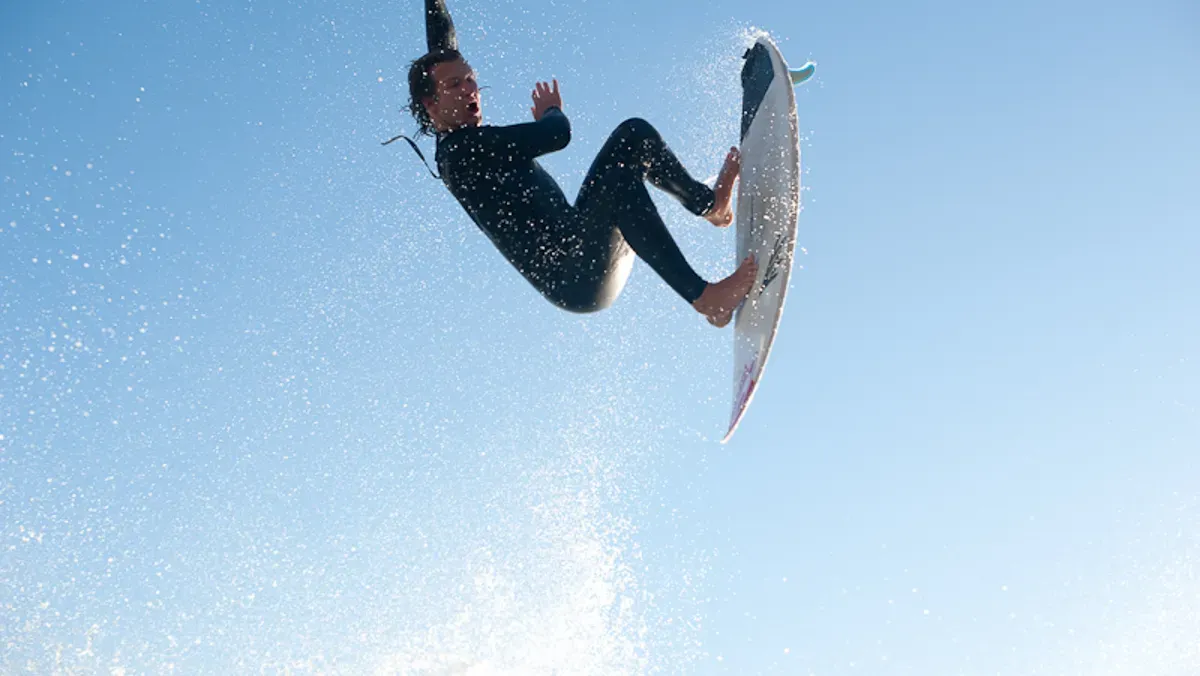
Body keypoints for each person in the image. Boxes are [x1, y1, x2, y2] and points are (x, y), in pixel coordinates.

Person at [401, 0, 757, 327]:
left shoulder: (465, 140)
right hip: (574, 274)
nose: (469, 89)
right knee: (620, 172)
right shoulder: (461, 152)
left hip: (584, 244)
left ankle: (712, 206)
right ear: (430, 104)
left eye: (470, 80)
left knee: (633, 139)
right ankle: (706, 298)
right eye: (454, 85)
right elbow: (556, 135)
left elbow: (442, 47)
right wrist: (551, 112)